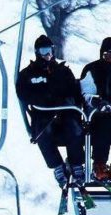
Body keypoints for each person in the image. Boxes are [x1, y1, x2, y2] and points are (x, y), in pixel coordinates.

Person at [16, 35, 86, 189]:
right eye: (44, 50)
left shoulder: (63, 71)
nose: (48, 54)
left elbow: (75, 92)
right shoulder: (29, 74)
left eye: (50, 50)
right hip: (44, 115)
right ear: (37, 52)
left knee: (75, 130)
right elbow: (23, 93)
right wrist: (44, 99)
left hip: (65, 113)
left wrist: (70, 102)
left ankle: (76, 164)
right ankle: (57, 166)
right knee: (43, 133)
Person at [79, 36, 111, 182]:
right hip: (96, 113)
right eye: (107, 55)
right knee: (105, 122)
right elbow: (86, 93)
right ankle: (99, 165)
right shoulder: (93, 69)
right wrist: (97, 101)